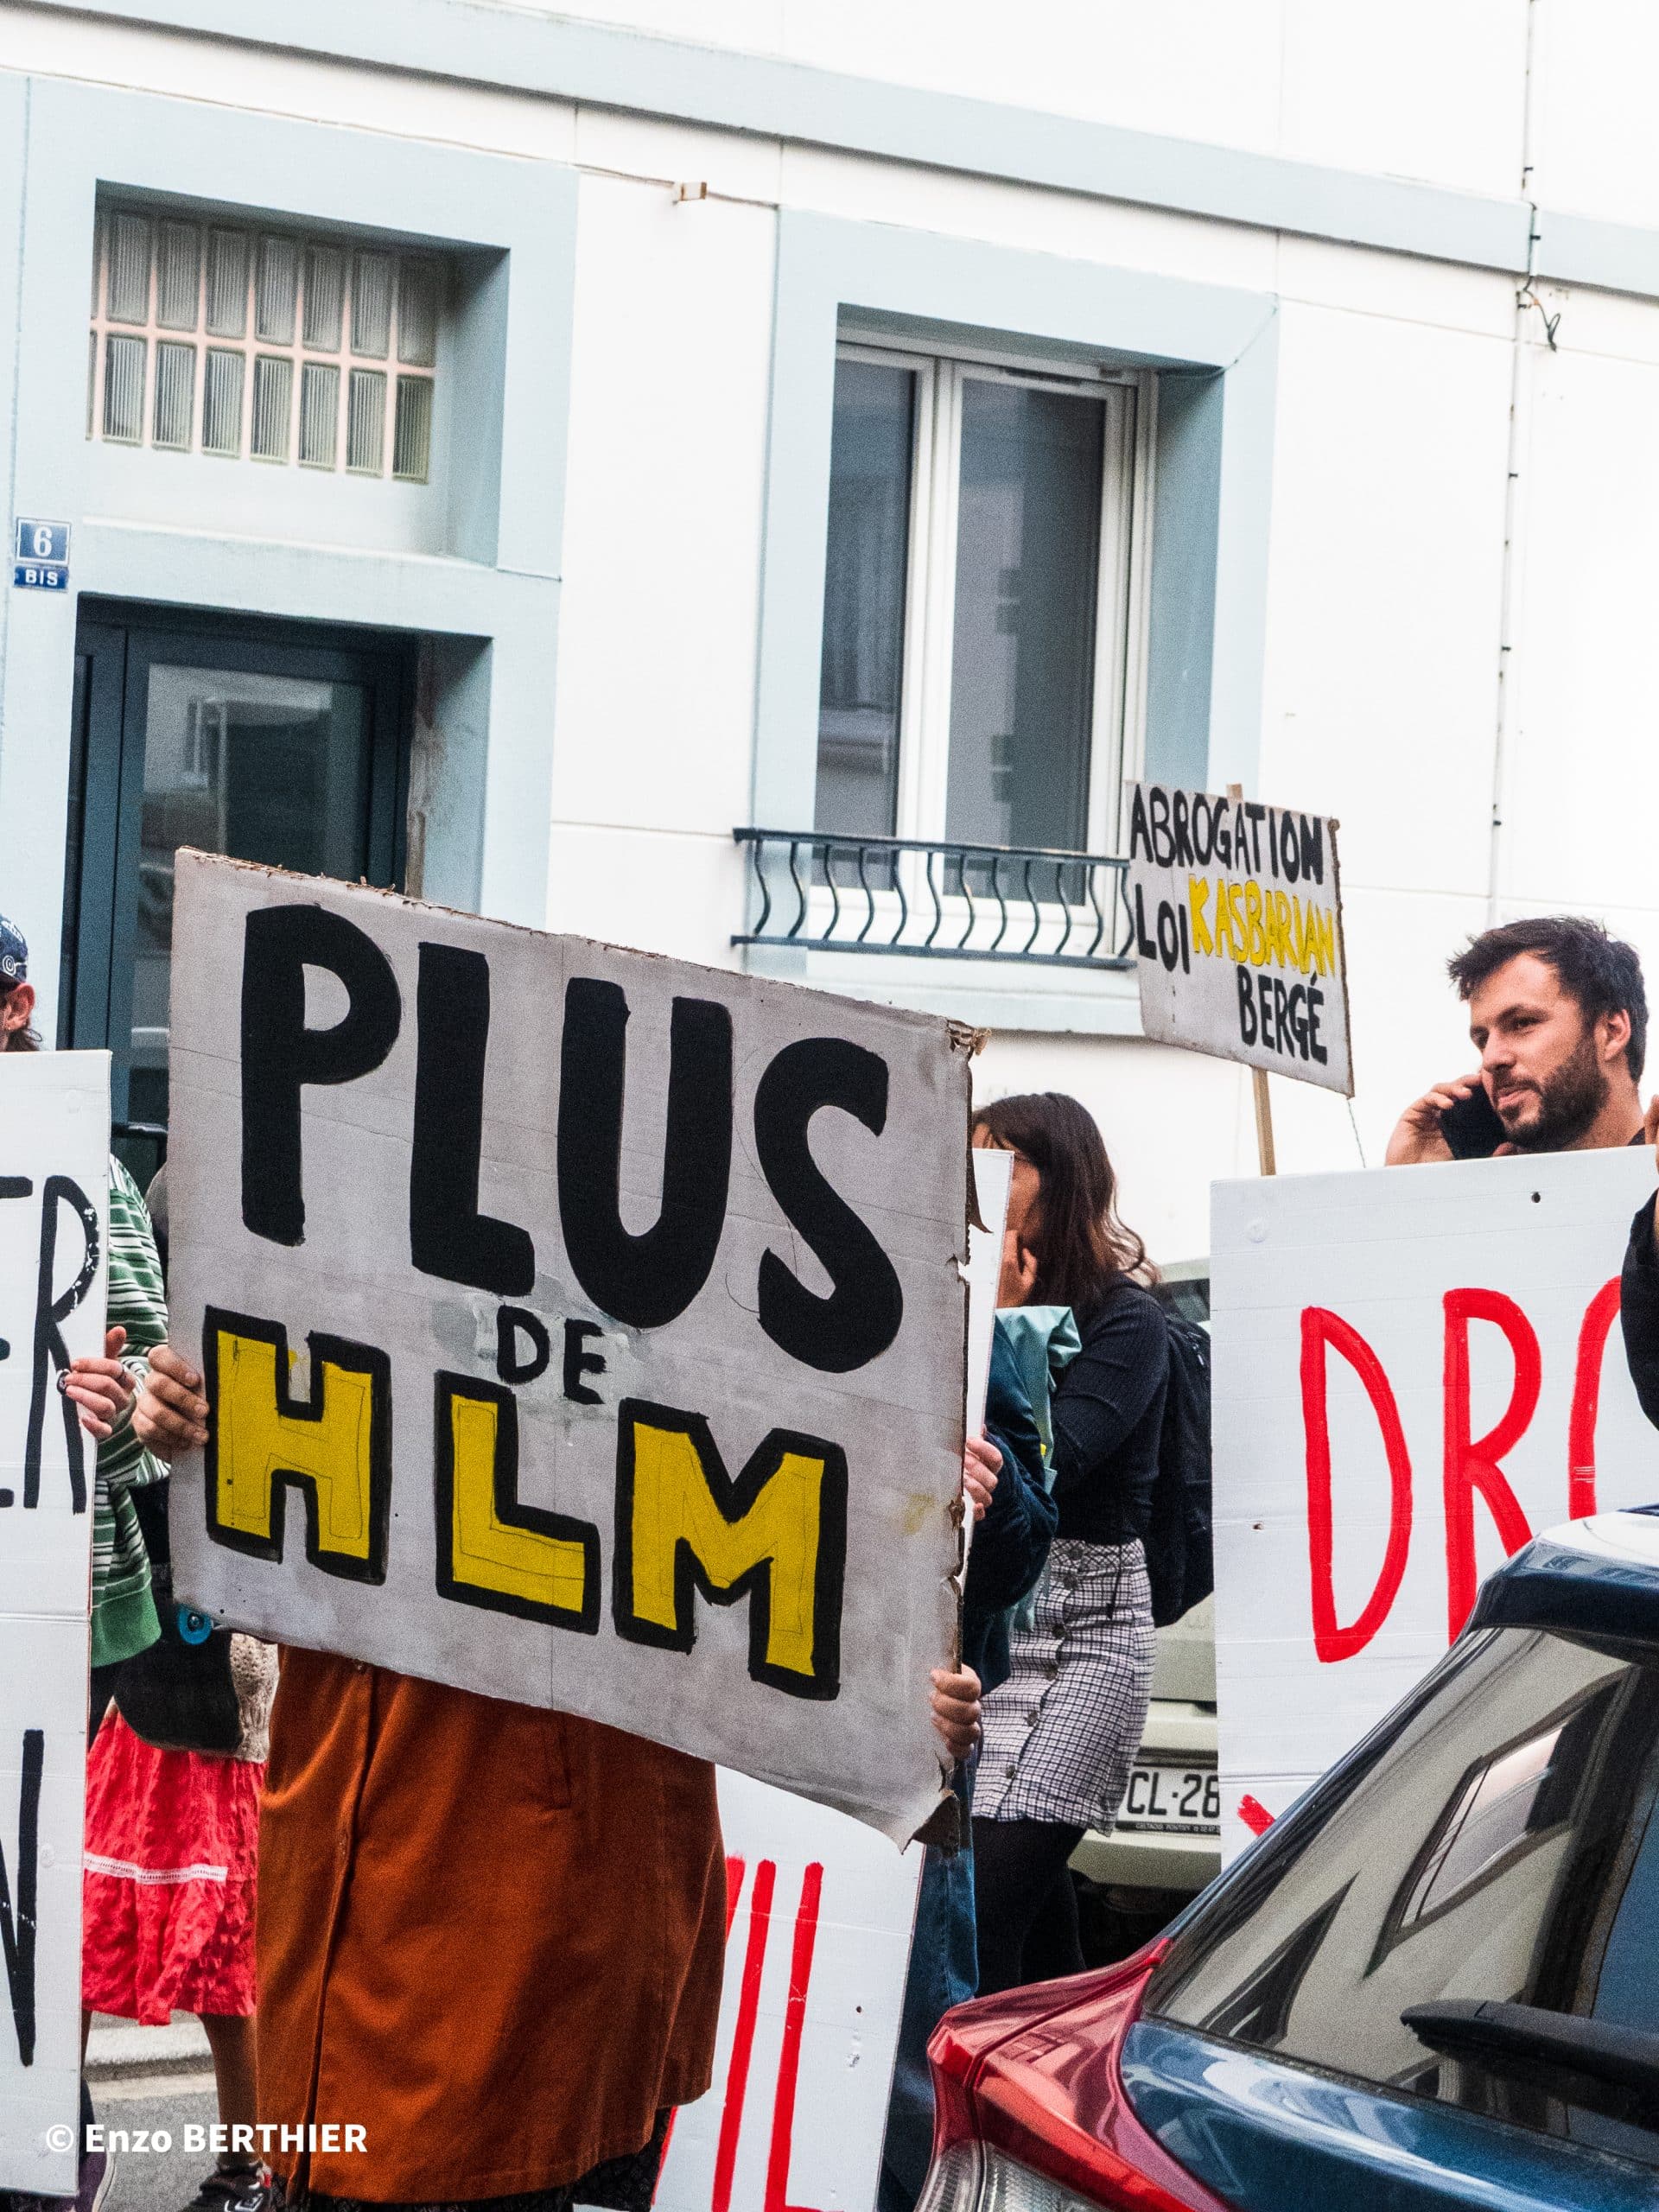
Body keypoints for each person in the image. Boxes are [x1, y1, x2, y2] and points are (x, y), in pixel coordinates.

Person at [135, 1338, 985, 2212]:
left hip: (531, 1903)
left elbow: (755, 1543)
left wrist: (896, 1583)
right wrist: (190, 1427)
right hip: (352, 1876)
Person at [2, 912, 168, 2212]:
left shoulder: (87, 1179)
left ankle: (46, 2138)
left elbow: (167, 1401)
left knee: (30, 1871)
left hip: (62, 1598)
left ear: (15, 1008)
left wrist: (112, 1416)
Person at [968, 1094, 1166, 1997]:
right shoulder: (959, 1296)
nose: (982, 1178)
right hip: (989, 1640)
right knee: (1030, 1931)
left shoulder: (1127, 1320)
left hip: (1082, 1639)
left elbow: (1049, 1461)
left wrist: (1004, 1319)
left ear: (1064, 1183)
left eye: (1006, 1161)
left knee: (985, 1913)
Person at [878, 1329, 1054, 2212]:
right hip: (755, 1720)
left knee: (910, 2039)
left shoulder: (974, 1327)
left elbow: (1023, 1554)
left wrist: (999, 1487)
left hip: (920, 1731)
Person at [1387, 917, 1648, 1164]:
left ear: (1612, 1031)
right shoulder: (1491, 1190)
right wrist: (1419, 1183)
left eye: (1522, 1023)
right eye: (1482, 1040)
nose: (1490, 1060)